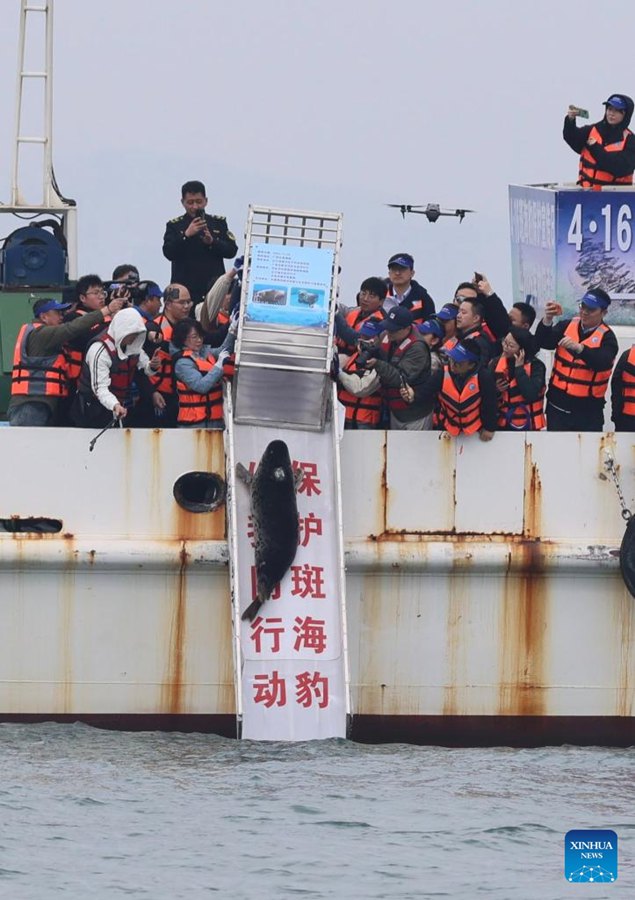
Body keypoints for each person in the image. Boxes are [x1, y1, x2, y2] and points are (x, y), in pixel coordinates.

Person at [8, 296, 122, 426]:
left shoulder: (47, 336)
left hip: (43, 403)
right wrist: (106, 310)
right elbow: (72, 328)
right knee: (27, 445)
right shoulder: (41, 335)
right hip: (30, 405)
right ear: (44, 316)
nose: (62, 317)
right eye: (57, 313)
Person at [535, 288, 618, 431]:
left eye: (591, 309)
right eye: (583, 306)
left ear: (603, 313)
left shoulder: (608, 338)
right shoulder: (566, 325)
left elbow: (602, 362)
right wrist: (547, 320)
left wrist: (580, 349)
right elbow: (543, 342)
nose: (584, 312)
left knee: (587, 453)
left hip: (588, 413)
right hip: (557, 408)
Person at [71, 308, 164, 428]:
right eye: (132, 334)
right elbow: (100, 389)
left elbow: (147, 370)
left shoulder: (133, 348)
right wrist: (114, 405)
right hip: (92, 408)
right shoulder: (99, 351)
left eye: (137, 334)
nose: (134, 338)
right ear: (122, 330)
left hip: (119, 406)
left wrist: (152, 366)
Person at [162, 179, 238, 305]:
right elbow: (168, 252)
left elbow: (231, 250)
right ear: (183, 202)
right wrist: (186, 235)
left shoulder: (218, 223)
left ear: (206, 201)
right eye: (190, 202)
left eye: (199, 201)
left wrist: (212, 242)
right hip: (186, 290)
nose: (195, 207)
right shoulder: (174, 226)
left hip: (213, 288)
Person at [364, 306, 432, 430]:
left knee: (413, 449)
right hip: (393, 410)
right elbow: (378, 352)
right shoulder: (386, 335)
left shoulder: (418, 347)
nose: (389, 332)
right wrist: (369, 349)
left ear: (406, 328)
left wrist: (377, 363)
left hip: (415, 414)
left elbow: (401, 379)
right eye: (388, 327)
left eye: (393, 330)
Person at [172, 318, 236, 429]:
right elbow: (201, 386)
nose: (199, 340)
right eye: (194, 337)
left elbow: (224, 351)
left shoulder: (204, 353)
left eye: (200, 336)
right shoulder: (182, 363)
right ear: (183, 339)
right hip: (194, 425)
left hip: (215, 420)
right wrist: (218, 365)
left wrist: (232, 331)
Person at [564, 94, 635, 189]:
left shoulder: (630, 140)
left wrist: (595, 148)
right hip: (587, 194)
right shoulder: (592, 130)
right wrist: (570, 121)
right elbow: (572, 138)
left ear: (625, 115)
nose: (611, 114)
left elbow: (620, 167)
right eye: (609, 109)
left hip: (615, 198)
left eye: (617, 111)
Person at [435, 339, 498, 441]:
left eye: (458, 362)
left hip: (476, 429)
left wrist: (489, 428)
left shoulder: (484, 377)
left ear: (471, 365)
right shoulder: (441, 373)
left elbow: (490, 403)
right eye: (452, 359)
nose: (453, 364)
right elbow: (426, 393)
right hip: (447, 426)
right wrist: (412, 396)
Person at [152, 283, 194, 426]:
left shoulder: (189, 328)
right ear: (168, 305)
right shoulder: (155, 329)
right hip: (159, 397)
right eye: (182, 302)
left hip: (180, 396)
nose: (187, 306)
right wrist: (151, 392)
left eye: (189, 302)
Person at [489, 327, 546, 431]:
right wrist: (496, 390)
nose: (505, 348)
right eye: (504, 342)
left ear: (522, 349)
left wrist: (519, 369)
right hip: (503, 423)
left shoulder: (537, 366)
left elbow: (531, 394)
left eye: (511, 346)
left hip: (529, 423)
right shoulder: (495, 363)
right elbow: (485, 392)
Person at [336, 318, 383, 429]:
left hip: (364, 422)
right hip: (342, 417)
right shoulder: (352, 356)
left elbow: (360, 388)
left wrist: (339, 372)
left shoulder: (381, 362)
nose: (362, 340)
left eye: (368, 337)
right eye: (362, 336)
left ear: (378, 339)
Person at [335, 277, 388, 352]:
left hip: (358, 358)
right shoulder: (355, 311)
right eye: (363, 293)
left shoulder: (380, 320)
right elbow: (341, 308)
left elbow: (356, 339)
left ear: (381, 301)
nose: (365, 299)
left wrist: (336, 313)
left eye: (371, 296)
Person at [384, 253, 435, 322]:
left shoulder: (424, 298)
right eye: (394, 269)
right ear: (389, 273)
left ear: (412, 273)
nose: (397, 273)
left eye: (402, 269)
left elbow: (431, 327)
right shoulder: (380, 295)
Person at [455, 297, 496, 364]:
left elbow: (481, 367)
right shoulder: (461, 337)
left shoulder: (479, 341)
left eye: (463, 312)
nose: (458, 316)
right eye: (459, 312)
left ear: (476, 318)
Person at [610, 345, 635, 431]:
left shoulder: (627, 356)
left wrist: (616, 416)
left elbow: (616, 387)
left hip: (626, 419)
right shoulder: (626, 356)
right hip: (626, 419)